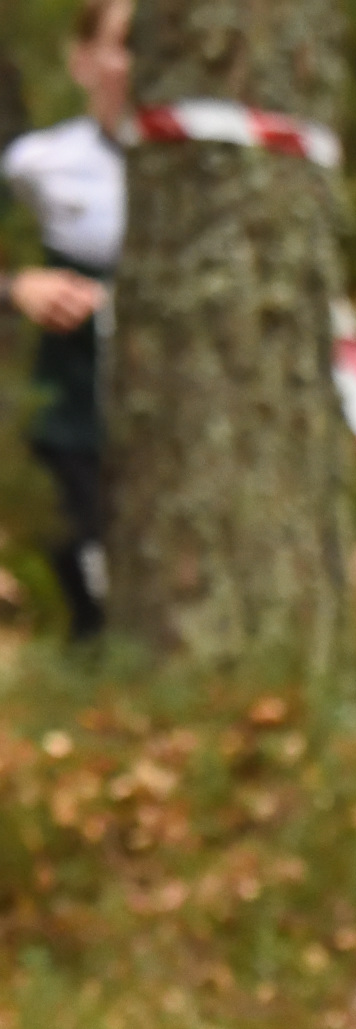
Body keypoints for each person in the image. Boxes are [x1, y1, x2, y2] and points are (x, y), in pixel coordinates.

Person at [0, 0, 131, 641]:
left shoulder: (215, 164)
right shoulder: (35, 166)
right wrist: (19, 287)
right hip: (70, 427)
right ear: (83, 61)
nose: (143, 64)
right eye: (126, 43)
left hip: (188, 428)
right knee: (96, 611)